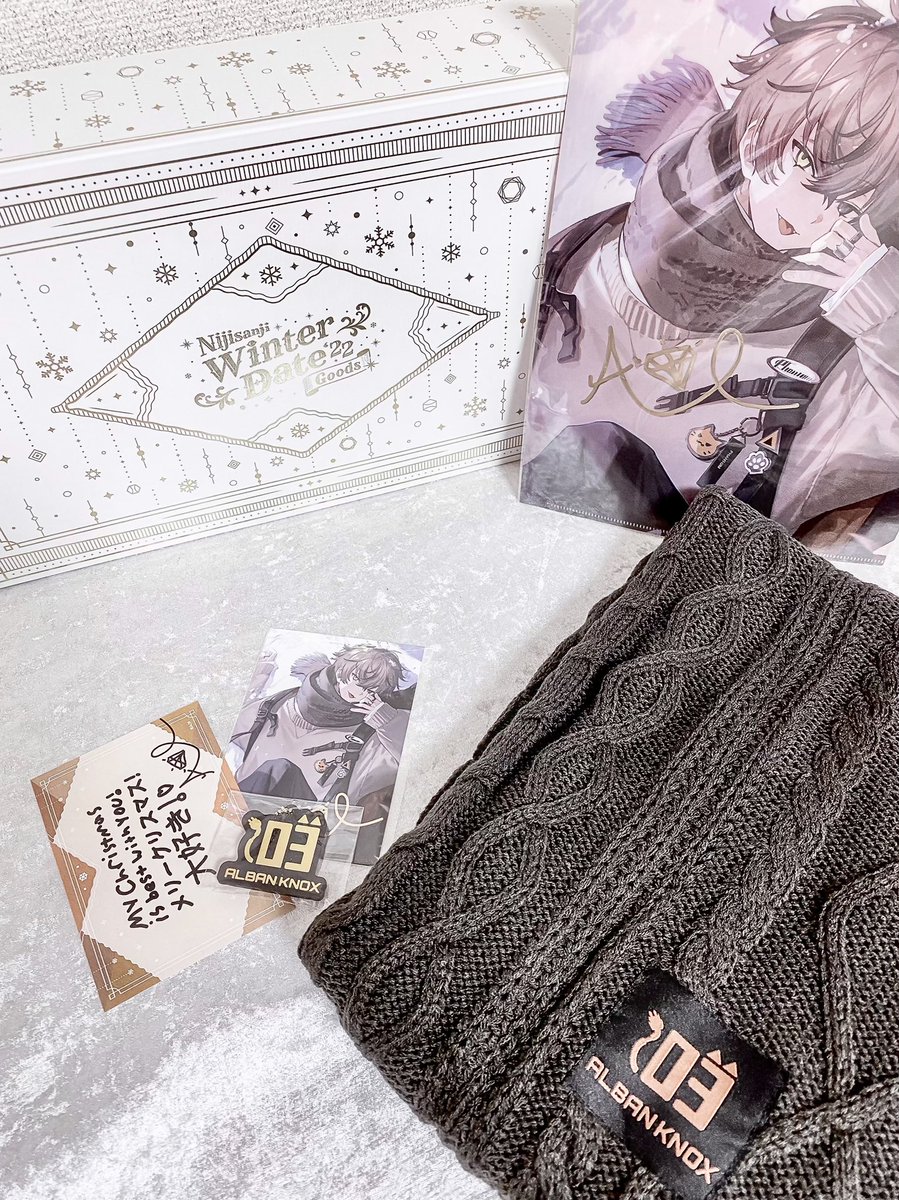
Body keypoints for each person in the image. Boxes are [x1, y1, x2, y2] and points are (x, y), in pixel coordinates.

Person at [522, 1, 899, 558]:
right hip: (577, 525)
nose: (820, 218)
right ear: (755, 140)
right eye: (812, 177)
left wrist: (881, 310)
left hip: (739, 564)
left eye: (849, 204)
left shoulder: (857, 307)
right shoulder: (596, 245)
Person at [229, 644, 415, 864]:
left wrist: (386, 719)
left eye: (372, 690)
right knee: (276, 770)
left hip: (309, 832)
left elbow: (413, 762)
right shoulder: (278, 704)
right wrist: (253, 678)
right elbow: (224, 725)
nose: (362, 693)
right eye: (359, 682)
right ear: (341, 671)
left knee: (280, 770)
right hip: (238, 824)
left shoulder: (371, 731)